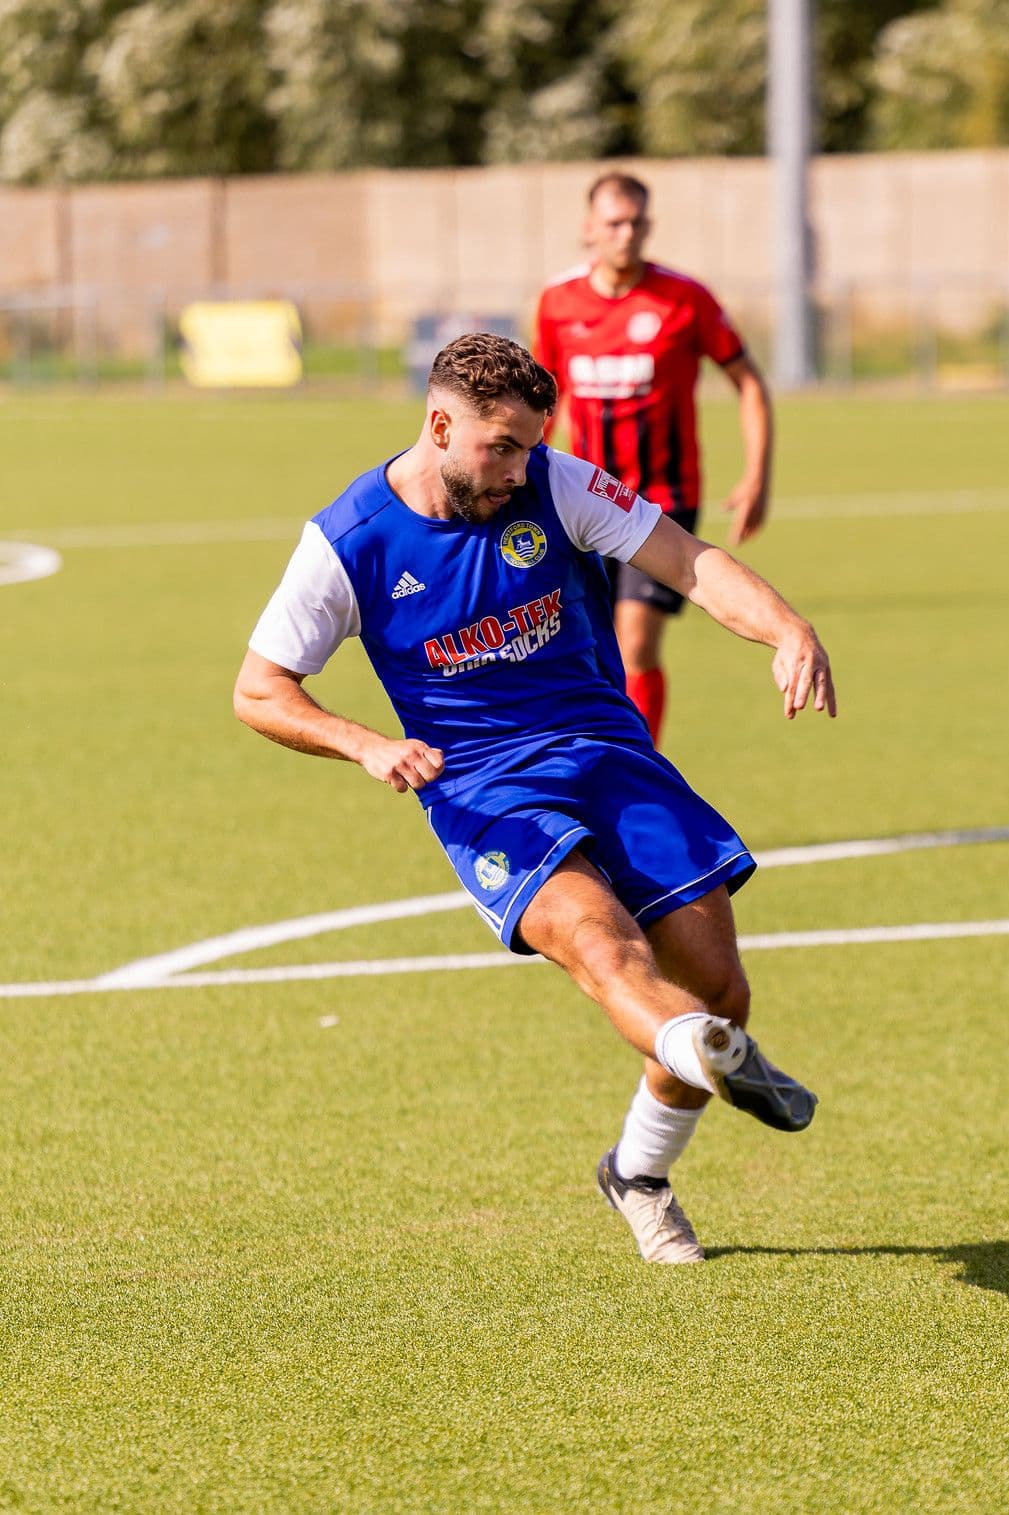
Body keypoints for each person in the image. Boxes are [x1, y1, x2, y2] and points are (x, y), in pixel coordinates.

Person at [233, 333, 834, 1264]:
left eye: (528, 446)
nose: (519, 468)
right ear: (440, 425)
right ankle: (694, 1048)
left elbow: (689, 561)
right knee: (605, 945)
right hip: (480, 786)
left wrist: (788, 628)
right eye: (500, 447)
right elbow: (258, 689)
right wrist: (366, 744)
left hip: (606, 750)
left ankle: (638, 1167)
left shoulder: (558, 482)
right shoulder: (346, 542)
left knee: (718, 986)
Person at [532, 171, 775, 746]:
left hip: (660, 497)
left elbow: (749, 383)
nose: (627, 233)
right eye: (614, 222)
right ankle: (596, 758)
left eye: (638, 222)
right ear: (589, 228)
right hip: (581, 499)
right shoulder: (558, 302)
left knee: (636, 642)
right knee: (588, 647)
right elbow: (543, 397)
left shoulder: (684, 299)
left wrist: (757, 475)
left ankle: (640, 772)